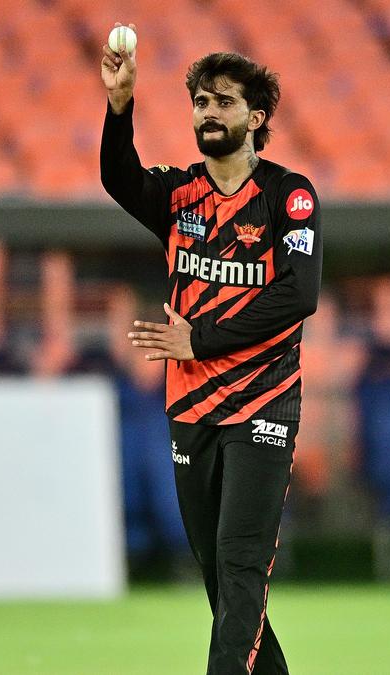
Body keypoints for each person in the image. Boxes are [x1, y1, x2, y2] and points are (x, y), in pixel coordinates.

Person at [100, 27, 322, 675]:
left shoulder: (288, 196)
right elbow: (119, 178)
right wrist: (120, 106)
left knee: (241, 564)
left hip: (263, 405)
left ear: (257, 117)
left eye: (224, 102)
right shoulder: (180, 196)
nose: (208, 113)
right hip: (190, 407)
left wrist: (199, 338)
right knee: (221, 581)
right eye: (200, 102)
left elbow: (298, 294)